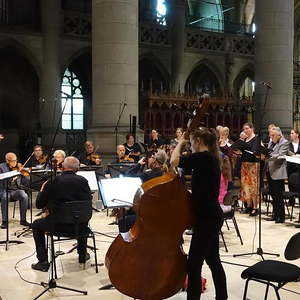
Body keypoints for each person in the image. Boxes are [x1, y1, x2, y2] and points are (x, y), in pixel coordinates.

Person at [170, 128, 227, 300]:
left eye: (192, 141)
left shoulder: (203, 157)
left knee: (194, 264)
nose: (191, 144)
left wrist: (180, 142)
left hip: (207, 218)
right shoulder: (210, 158)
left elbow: (173, 161)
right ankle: (222, 298)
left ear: (199, 141)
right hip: (210, 215)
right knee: (213, 261)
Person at [31, 156, 92, 272]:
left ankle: (43, 262)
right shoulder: (83, 181)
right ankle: (82, 255)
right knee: (80, 216)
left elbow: (39, 204)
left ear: (63, 167)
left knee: (36, 225)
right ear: (77, 169)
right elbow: (87, 202)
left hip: (58, 227)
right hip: (80, 228)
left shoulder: (53, 181)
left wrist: (42, 190)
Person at [265, 127, 289, 223]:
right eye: (271, 135)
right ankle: (275, 214)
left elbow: (281, 155)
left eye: (273, 135)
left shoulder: (284, 142)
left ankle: (281, 216)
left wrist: (268, 156)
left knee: (278, 195)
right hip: (270, 170)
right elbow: (269, 151)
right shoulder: (271, 142)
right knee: (273, 194)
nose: (271, 137)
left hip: (278, 172)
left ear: (279, 135)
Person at [0, 152, 30, 229]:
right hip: (5, 190)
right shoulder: (1, 167)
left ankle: (23, 220)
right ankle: (4, 221)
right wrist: (10, 179)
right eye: (12, 161)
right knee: (4, 197)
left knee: (24, 195)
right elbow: (1, 181)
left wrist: (24, 174)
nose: (15, 162)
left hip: (16, 190)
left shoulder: (18, 167)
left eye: (15, 160)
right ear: (7, 161)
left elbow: (26, 182)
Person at [239, 122, 260, 216]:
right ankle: (249, 205)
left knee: (253, 186)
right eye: (244, 129)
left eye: (247, 128)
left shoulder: (256, 138)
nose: (245, 131)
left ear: (252, 129)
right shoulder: (245, 139)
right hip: (244, 164)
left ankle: (255, 207)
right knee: (245, 186)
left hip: (253, 165)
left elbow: (254, 151)